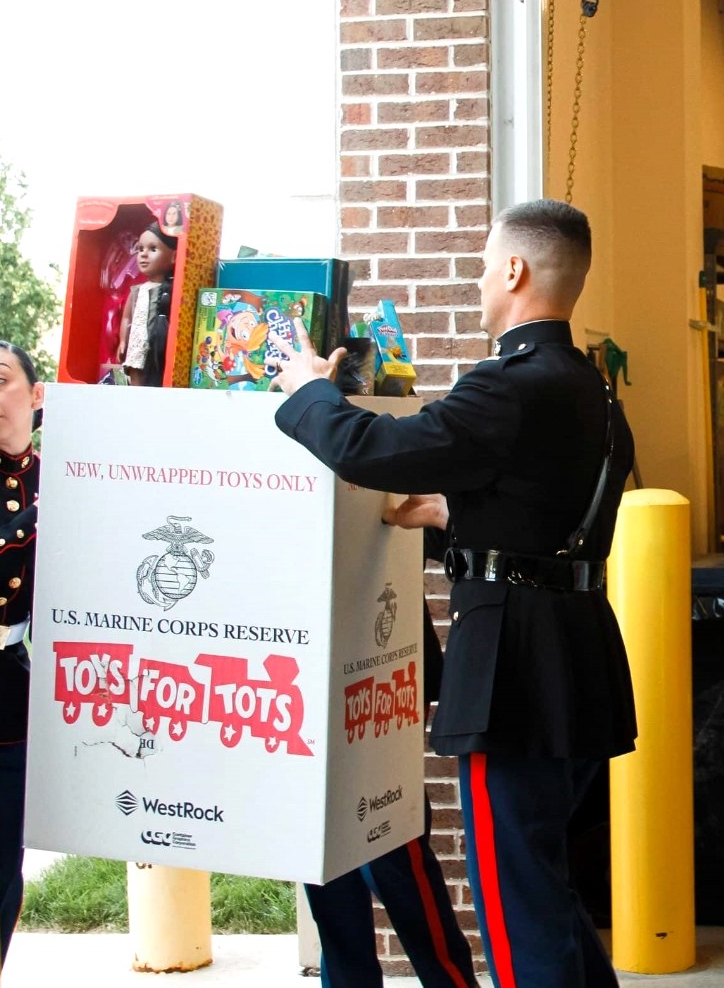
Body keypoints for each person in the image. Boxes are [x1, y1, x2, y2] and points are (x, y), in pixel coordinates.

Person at [271, 199, 635, 988]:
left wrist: (307, 391)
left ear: (514, 270)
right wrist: (452, 512)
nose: (477, 281)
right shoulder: (595, 392)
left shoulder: (509, 384)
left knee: (518, 908)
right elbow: (552, 509)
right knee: (544, 883)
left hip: (514, 663)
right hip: (579, 653)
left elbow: (377, 448)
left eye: (480, 265)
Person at [302, 524, 478, 988]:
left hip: (380, 659)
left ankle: (451, 984)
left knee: (393, 846)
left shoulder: (379, 451)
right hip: (297, 663)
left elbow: (435, 531)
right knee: (317, 844)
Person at [0, 341, 42, 963]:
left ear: (36, 395)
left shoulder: (53, 471)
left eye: (0, 380)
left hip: (12, 689)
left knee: (6, 865)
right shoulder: (43, 497)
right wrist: (35, 520)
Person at [117, 222, 177, 386]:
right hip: (137, 342)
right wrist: (123, 341)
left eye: (152, 249)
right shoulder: (136, 290)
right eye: (140, 249)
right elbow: (126, 318)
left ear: (173, 257)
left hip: (156, 344)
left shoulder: (170, 291)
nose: (143, 254)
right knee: (135, 371)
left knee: (155, 373)